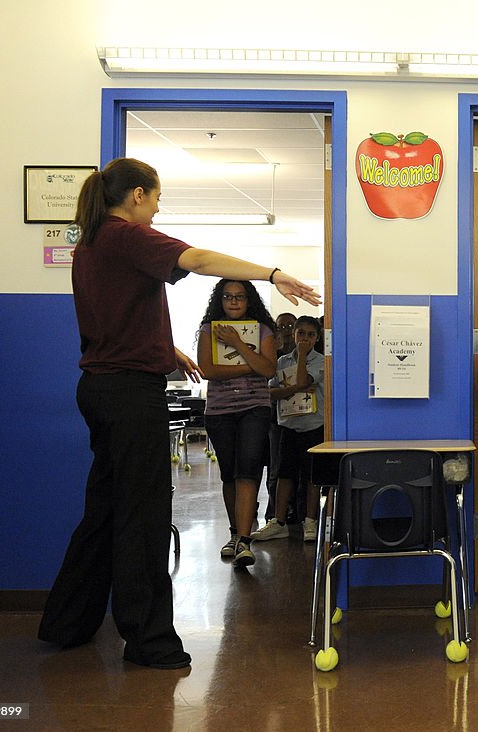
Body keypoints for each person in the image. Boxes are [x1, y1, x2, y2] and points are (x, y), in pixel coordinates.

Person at [38, 157, 320, 670]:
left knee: (103, 509)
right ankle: (148, 640)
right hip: (129, 396)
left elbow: (114, 315)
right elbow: (202, 260)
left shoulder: (92, 243)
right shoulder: (127, 236)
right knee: (142, 515)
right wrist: (273, 273)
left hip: (100, 389)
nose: (159, 206)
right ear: (138, 196)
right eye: (157, 196)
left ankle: (67, 622)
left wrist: (165, 350)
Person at [197, 280, 278, 568]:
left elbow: (268, 369)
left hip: (254, 408)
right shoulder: (208, 330)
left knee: (248, 469)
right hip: (219, 411)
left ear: (249, 300)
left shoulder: (263, 330)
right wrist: (251, 365)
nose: (233, 302)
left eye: (240, 297)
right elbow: (208, 370)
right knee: (229, 474)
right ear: (219, 300)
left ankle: (244, 539)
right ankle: (235, 533)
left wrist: (237, 344)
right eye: (228, 297)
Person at [252, 316, 325, 543]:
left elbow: (304, 380)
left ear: (317, 338)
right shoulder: (281, 362)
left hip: (314, 425)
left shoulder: (321, 361)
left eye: (310, 335)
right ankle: (279, 521)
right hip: (288, 426)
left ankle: (310, 520)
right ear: (293, 334)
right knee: (284, 474)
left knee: (312, 477)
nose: (304, 338)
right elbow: (270, 392)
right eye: (300, 333)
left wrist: (302, 357)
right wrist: (292, 388)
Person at [264, 312, 298, 524]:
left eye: (290, 326)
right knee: (275, 469)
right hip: (274, 419)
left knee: (293, 469)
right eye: (281, 326)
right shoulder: (270, 357)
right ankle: (274, 515)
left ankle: (295, 511)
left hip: (301, 419)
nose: (286, 330)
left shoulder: (306, 356)